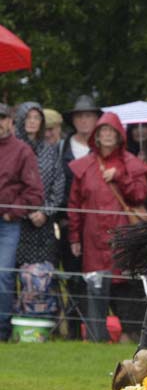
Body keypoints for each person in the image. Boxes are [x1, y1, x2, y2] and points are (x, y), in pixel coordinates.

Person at [68, 112, 147, 342]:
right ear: (96, 135)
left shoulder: (130, 163)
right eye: (103, 131)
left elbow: (140, 194)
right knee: (95, 289)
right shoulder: (84, 166)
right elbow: (74, 205)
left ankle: (132, 336)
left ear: (119, 136)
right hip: (93, 239)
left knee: (125, 288)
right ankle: (96, 339)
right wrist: (74, 237)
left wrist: (121, 176)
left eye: (111, 131)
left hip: (123, 237)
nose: (106, 135)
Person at [14, 102, 66, 318]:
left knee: (44, 276)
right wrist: (27, 211)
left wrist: (45, 211)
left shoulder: (49, 150)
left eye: (37, 118)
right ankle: (10, 323)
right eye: (29, 118)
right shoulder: (12, 148)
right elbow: (10, 185)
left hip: (43, 226)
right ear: (21, 120)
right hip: (16, 222)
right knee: (12, 275)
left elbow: (59, 182)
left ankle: (43, 322)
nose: (33, 122)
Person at [0, 103, 44, 341]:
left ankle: (2, 331)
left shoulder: (22, 151)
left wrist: (11, 212)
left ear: (10, 121)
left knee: (3, 275)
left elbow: (35, 193)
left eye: (2, 118)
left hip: (7, 224)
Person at [60, 94, 102, 338]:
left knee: (99, 281)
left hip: (98, 225)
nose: (84, 120)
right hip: (70, 223)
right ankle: (73, 331)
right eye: (80, 116)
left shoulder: (107, 146)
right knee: (73, 277)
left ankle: (98, 331)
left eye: (89, 115)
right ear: (73, 120)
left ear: (97, 120)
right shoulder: (62, 148)